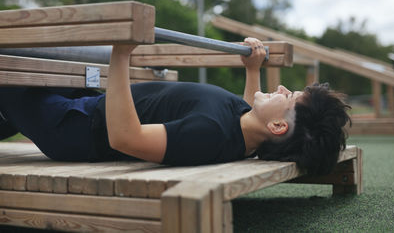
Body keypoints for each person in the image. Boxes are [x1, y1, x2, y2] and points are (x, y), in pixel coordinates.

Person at [0, 38, 351, 175]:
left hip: (73, 124)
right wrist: (252, 71)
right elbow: (246, 114)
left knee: (7, 73)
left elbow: (125, 137)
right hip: (86, 105)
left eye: (289, 98)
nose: (282, 88)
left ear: (278, 127)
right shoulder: (244, 134)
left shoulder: (208, 134)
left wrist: (121, 52)